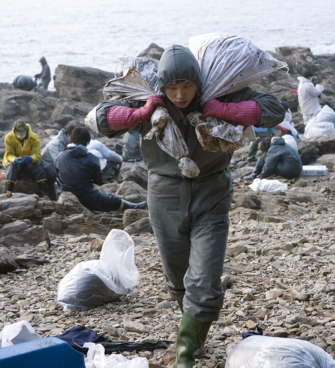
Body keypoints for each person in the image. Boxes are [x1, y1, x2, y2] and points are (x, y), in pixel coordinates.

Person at [89, 44, 285, 367]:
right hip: (164, 197)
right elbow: (101, 118)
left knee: (205, 282)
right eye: (172, 88)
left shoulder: (221, 93)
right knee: (177, 281)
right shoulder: (149, 100)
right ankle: (195, 333)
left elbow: (274, 109)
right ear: (163, 86)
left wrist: (222, 110)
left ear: (198, 82)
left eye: (187, 86)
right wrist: (140, 113)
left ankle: (185, 356)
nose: (180, 95)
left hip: (212, 195)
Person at [55, 127, 147, 212]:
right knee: (112, 199)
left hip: (64, 193)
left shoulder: (60, 156)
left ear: (71, 139)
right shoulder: (91, 158)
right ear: (87, 142)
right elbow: (98, 181)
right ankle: (136, 207)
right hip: (87, 197)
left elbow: (57, 173)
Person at [2, 120, 49, 199]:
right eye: (19, 132)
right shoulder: (8, 138)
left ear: (26, 130)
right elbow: (9, 154)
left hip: (29, 162)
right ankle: (8, 192)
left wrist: (31, 158)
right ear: (14, 130)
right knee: (11, 166)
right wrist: (14, 160)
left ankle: (44, 194)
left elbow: (37, 155)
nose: (21, 134)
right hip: (14, 161)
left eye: (22, 132)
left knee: (37, 166)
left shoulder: (34, 137)